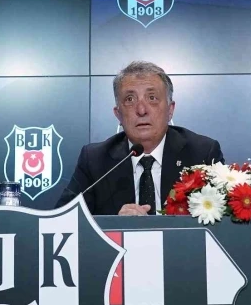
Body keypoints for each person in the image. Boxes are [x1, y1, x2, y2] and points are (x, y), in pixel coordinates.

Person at [56, 61, 224, 215]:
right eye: (130, 99)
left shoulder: (202, 154)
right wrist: (114, 226)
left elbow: (226, 222)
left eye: (152, 98)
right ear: (118, 114)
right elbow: (63, 221)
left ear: (170, 110)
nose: (142, 110)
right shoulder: (95, 160)